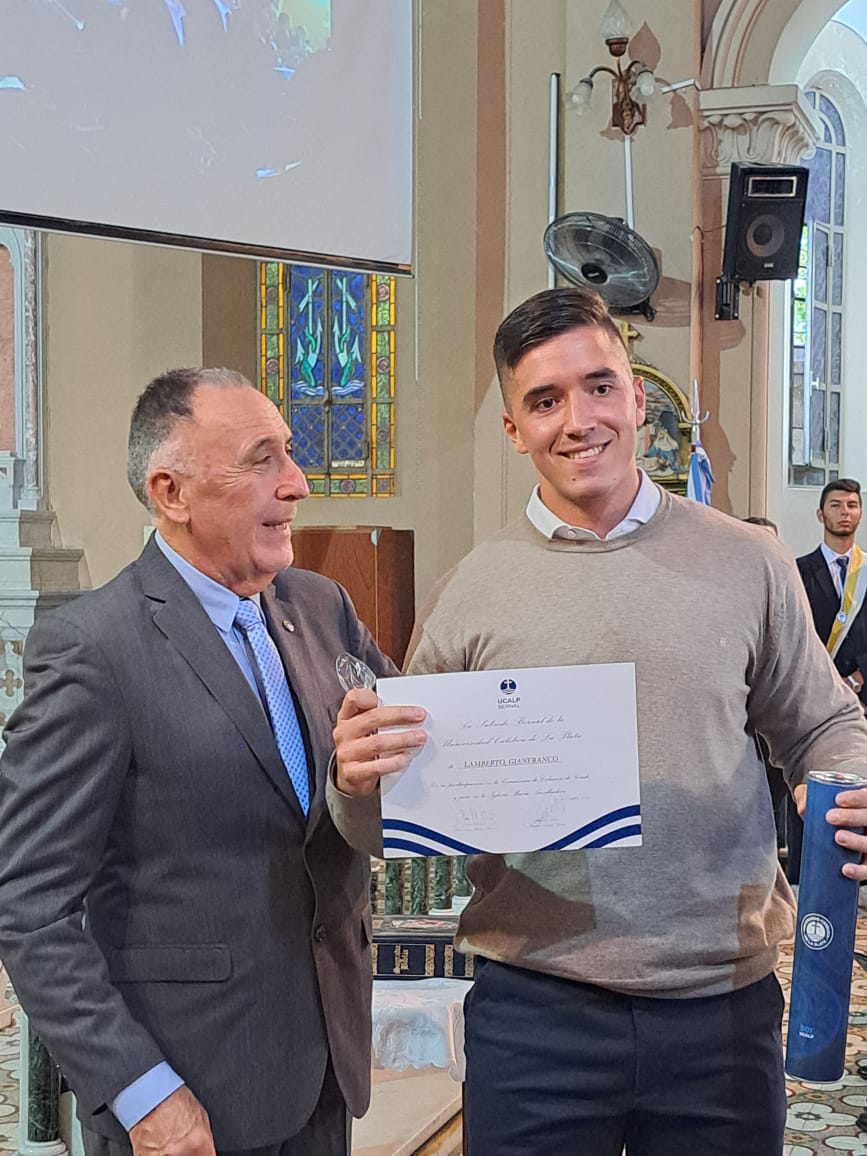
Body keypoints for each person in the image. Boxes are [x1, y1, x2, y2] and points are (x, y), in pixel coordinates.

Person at [328, 288, 867, 1156]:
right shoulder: (473, 590)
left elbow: (821, 723)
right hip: (536, 1007)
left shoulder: (746, 561)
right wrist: (356, 781)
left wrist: (844, 784)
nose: (578, 420)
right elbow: (390, 818)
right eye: (544, 401)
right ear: (514, 430)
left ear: (637, 398)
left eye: (599, 387)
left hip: (717, 1006)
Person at [0, 368, 396, 1156]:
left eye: (290, 453)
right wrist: (142, 1092)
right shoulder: (93, 649)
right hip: (186, 1098)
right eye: (260, 461)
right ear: (170, 492)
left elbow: (408, 769)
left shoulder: (322, 608)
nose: (297, 483)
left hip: (323, 1075)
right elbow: (28, 903)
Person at [787, 478, 867, 882]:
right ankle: (805, 883)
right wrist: (825, 683)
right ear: (821, 514)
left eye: (851, 505)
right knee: (809, 794)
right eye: (836, 505)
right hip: (811, 703)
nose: (844, 512)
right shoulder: (797, 571)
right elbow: (792, 635)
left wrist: (857, 678)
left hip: (863, 699)